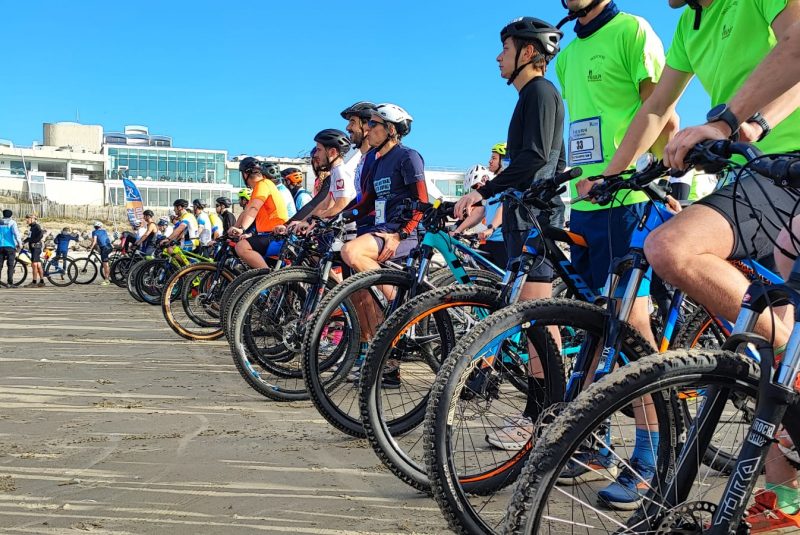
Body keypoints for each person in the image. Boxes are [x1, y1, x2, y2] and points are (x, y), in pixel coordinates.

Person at [604, 0, 800, 523]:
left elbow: (799, 43)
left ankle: (792, 366)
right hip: (751, 172)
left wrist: (732, 122)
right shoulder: (689, 25)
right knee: (763, 356)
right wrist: (613, 174)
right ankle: (786, 503)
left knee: (673, 248)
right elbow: (655, 107)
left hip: (788, 165)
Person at [543, 0, 679, 507]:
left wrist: (669, 179)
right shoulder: (566, 56)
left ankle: (650, 455)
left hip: (630, 199)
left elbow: (662, 109)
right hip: (587, 204)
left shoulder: (632, 30)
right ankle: (595, 444)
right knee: (593, 326)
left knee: (631, 326)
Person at [453, 17, 566, 452]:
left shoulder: (539, 91)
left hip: (536, 216)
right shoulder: (528, 96)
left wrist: (484, 192)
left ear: (528, 52)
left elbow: (534, 157)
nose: (498, 57)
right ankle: (545, 416)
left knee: (538, 321)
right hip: (525, 214)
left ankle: (543, 418)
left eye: (505, 48)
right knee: (534, 318)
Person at [288, 129, 355, 233]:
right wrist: (303, 220)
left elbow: (341, 206)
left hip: (350, 230)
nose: (316, 154)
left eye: (319, 150)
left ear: (332, 152)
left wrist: (312, 221)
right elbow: (325, 204)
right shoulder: (335, 171)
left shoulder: (341, 173)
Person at [228, 157, 289, 269]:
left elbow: (253, 208)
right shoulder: (263, 185)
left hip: (277, 236)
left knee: (241, 247)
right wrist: (233, 230)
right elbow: (246, 212)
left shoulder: (262, 184)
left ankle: (268, 278)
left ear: (245, 174)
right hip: (270, 235)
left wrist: (242, 229)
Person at [451, 163, 508, 269]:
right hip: (491, 240)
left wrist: (490, 229)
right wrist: (457, 231)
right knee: (477, 268)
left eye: (476, 186)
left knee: (504, 276)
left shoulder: (501, 190)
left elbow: (503, 208)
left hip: (503, 240)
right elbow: (479, 212)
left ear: (484, 179)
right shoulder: (487, 198)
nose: (476, 189)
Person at [0, 209, 22, 287]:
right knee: (10, 265)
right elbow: (16, 234)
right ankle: (10, 283)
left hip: (0, 246)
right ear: (11, 215)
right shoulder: (12, 222)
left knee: (0, 265)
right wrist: (20, 244)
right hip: (10, 246)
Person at [22, 214, 45, 287]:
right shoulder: (32, 227)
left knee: (34, 265)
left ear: (32, 219)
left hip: (36, 247)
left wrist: (34, 241)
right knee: (38, 264)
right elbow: (29, 237)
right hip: (35, 247)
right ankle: (42, 281)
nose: (26, 220)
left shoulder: (36, 226)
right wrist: (23, 242)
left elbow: (41, 234)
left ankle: (34, 282)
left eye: (28, 219)